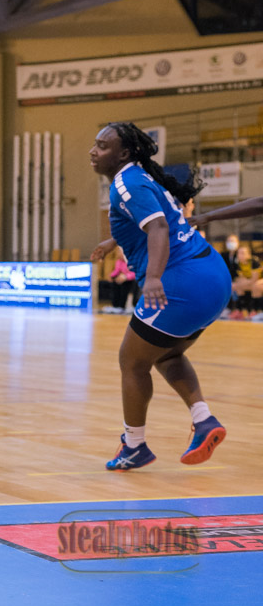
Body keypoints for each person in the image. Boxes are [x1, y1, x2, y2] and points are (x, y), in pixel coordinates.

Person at [89, 122, 229, 471]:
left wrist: (152, 277)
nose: (93, 151)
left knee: (131, 361)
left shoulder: (126, 183)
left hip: (182, 283)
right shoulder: (140, 176)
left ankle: (134, 445)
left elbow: (159, 226)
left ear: (123, 153)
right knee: (166, 353)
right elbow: (163, 217)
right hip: (213, 276)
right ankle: (204, 420)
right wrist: (114, 240)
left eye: (103, 146)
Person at [107, 247, 137, 314]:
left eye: (121, 252)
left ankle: (122, 306)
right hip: (122, 278)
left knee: (125, 286)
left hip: (131, 279)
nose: (119, 254)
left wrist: (125, 277)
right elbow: (116, 270)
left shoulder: (132, 260)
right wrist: (111, 276)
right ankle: (116, 305)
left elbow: (134, 273)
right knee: (115, 283)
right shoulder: (119, 261)